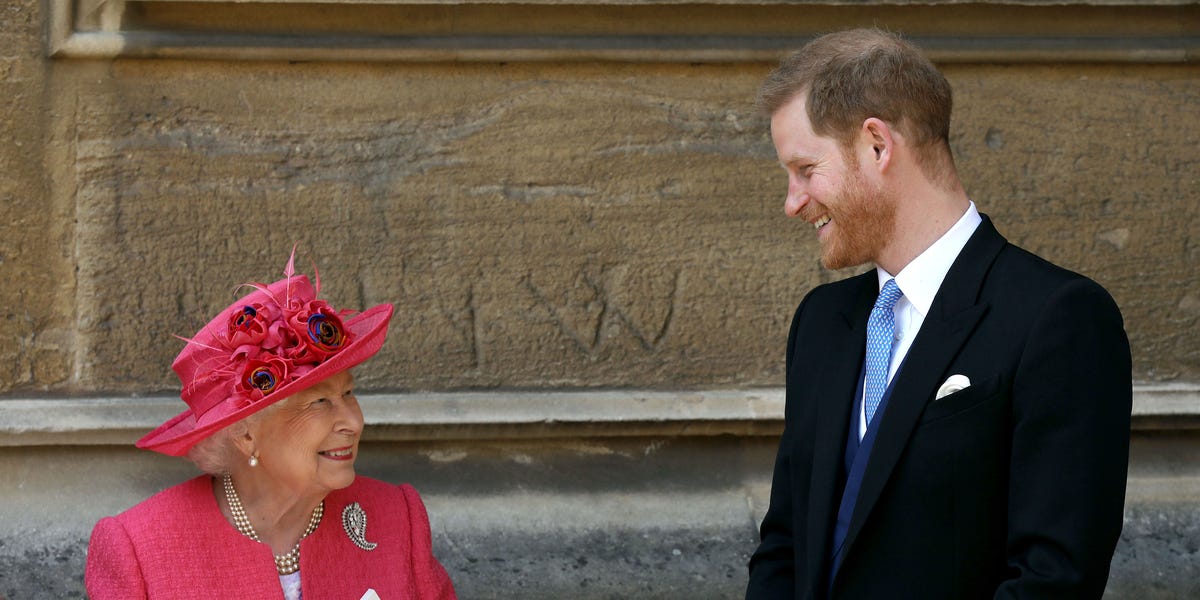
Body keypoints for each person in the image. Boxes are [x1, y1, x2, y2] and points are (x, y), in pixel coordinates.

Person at [746, 29, 1132, 599]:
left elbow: (1054, 580)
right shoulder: (822, 322)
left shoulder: (1058, 318)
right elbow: (785, 543)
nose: (792, 201)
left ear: (877, 145)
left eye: (806, 169)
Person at [85, 251, 456, 599]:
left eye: (348, 394)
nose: (354, 422)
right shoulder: (140, 550)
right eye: (319, 402)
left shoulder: (397, 518)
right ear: (245, 434)